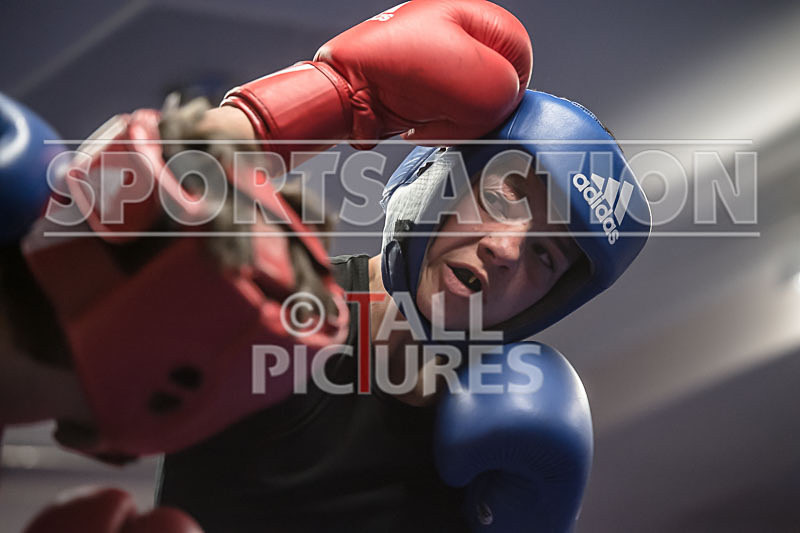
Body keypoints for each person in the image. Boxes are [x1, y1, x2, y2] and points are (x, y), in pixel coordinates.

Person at [1, 1, 652, 531]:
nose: (507, 248)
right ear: (438, 181)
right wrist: (335, 94)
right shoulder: (278, 304)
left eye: (545, 253)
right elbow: (73, 272)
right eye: (505, 193)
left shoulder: (515, 430)